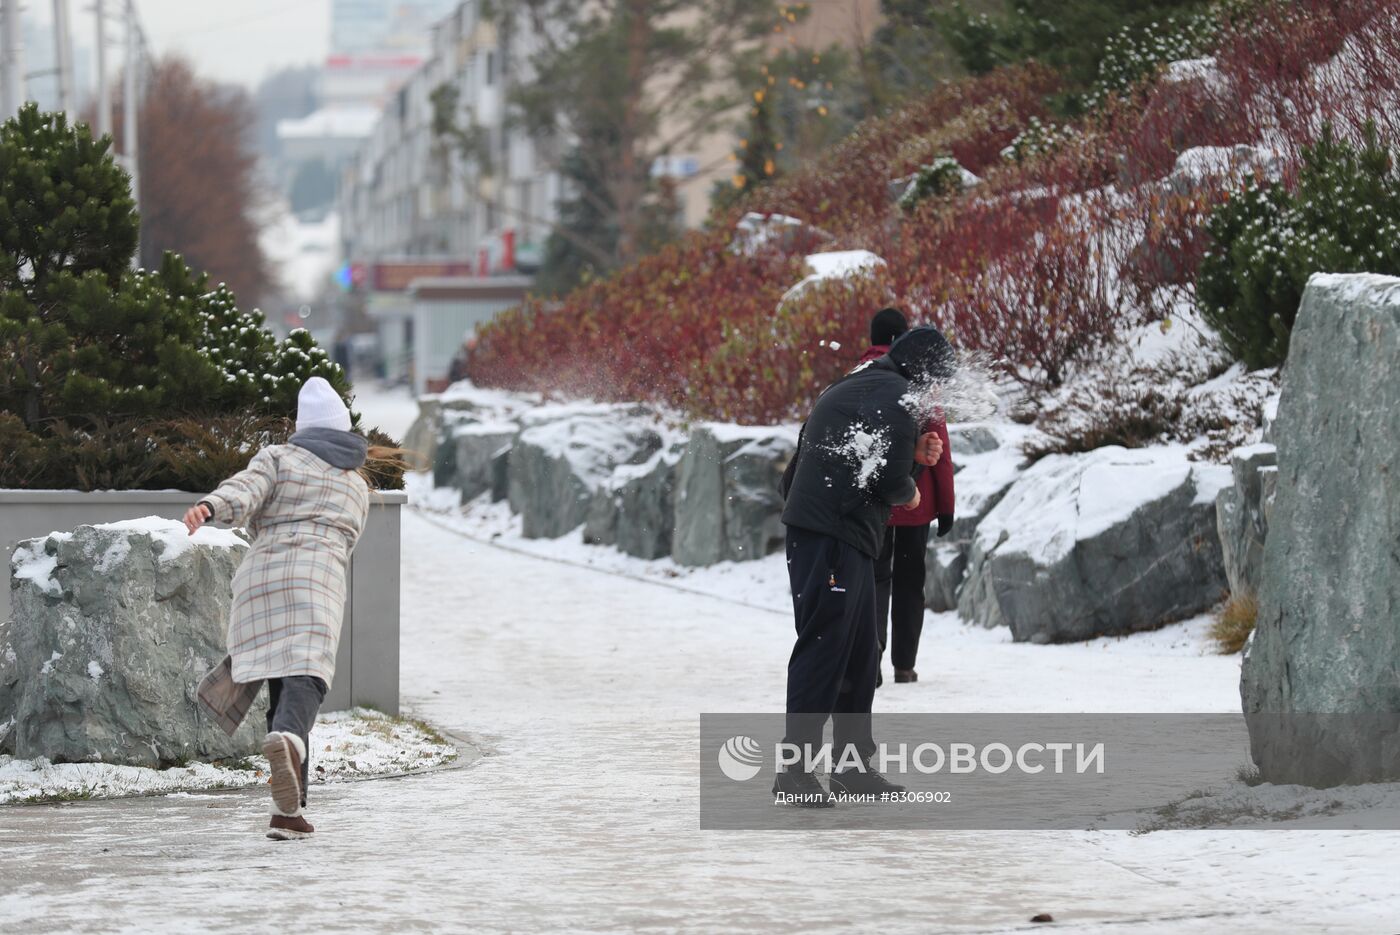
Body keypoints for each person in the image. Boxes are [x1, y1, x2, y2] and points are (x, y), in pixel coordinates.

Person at [185, 376, 394, 841]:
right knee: (307, 680)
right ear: (344, 433)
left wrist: (210, 506)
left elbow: (245, 491)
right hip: (314, 585)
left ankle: (289, 814)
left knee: (282, 685)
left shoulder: (278, 459)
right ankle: (292, 747)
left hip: (259, 582)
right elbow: (346, 543)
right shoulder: (356, 488)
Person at [774, 325, 952, 806]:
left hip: (839, 534)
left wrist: (912, 455)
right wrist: (912, 482)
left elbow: (862, 457)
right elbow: (893, 485)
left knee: (860, 650)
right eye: (937, 380)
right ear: (924, 370)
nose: (936, 391)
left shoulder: (867, 381)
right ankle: (795, 772)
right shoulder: (893, 393)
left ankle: (852, 768)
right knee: (825, 645)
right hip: (829, 537)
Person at [857, 309, 956, 687]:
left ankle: (872, 660)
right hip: (918, 502)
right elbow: (939, 446)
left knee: (874, 580)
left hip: (875, 501)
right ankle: (904, 665)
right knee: (911, 584)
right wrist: (946, 505)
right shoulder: (919, 377)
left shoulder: (859, 375)